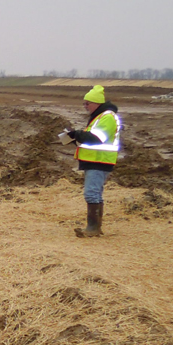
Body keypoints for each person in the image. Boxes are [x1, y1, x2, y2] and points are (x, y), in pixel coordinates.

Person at [62, 85, 122, 237]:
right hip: (96, 161)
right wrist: (75, 138)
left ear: (96, 103)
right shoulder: (100, 118)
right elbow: (92, 140)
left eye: (87, 103)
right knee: (94, 193)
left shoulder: (107, 117)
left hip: (99, 161)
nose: (85, 106)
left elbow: (96, 138)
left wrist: (77, 134)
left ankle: (93, 228)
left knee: (91, 194)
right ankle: (94, 227)